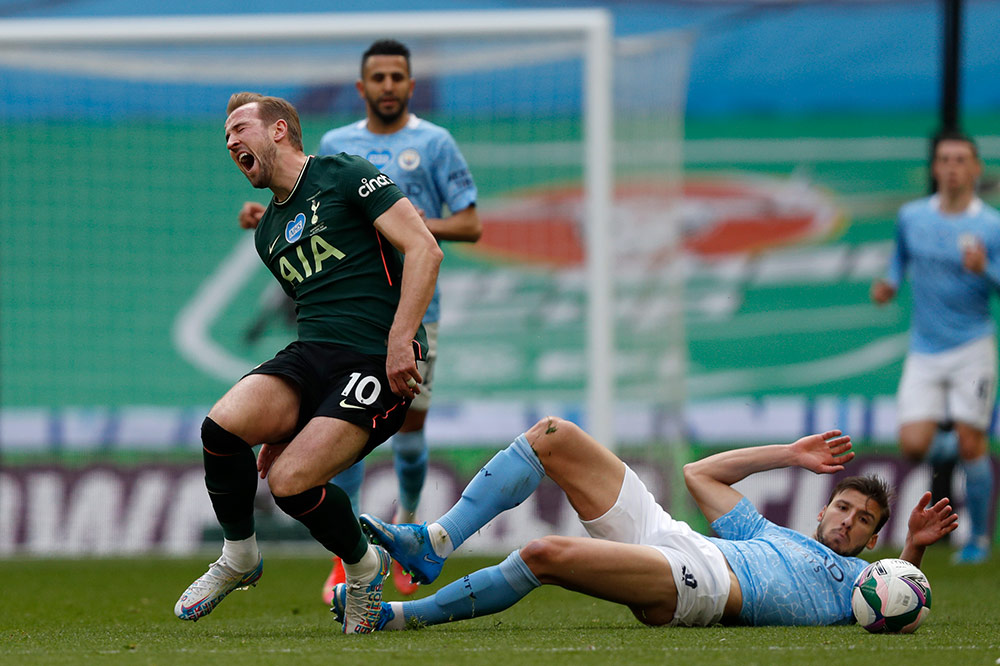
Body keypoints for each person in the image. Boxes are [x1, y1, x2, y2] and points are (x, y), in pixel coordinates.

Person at [174, 92, 443, 635]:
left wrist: (399, 341)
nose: (230, 142)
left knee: (291, 484)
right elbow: (318, 314)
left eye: (239, 129)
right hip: (312, 354)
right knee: (221, 429)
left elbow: (425, 250)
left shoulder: (344, 173)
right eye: (225, 136)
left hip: (375, 359)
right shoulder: (270, 233)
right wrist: (283, 423)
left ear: (278, 131)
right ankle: (240, 556)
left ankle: (365, 569)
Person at [238, 39, 481, 601]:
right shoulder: (337, 146)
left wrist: (409, 222)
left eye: (399, 76)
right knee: (339, 428)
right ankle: (345, 562)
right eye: (379, 77)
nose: (389, 85)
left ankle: (408, 524)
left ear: (410, 86)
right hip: (353, 323)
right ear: (362, 87)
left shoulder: (435, 143)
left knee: (410, 436)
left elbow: (469, 225)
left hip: (418, 312)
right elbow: (309, 211)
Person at [324, 416, 956, 630]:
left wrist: (916, 550)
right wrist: (789, 454)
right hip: (674, 539)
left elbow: (894, 600)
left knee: (546, 553)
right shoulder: (769, 533)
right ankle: (436, 542)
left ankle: (395, 616)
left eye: (863, 520)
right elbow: (700, 476)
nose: (847, 522)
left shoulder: (857, 582)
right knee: (554, 436)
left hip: (700, 587)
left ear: (875, 541)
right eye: (843, 507)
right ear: (823, 508)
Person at [871, 130, 1000, 564]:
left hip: (972, 346)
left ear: (976, 168)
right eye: (944, 159)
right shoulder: (912, 217)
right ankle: (963, 445)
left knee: (971, 442)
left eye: (961, 159)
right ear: (934, 168)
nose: (952, 167)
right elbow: (899, 257)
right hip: (925, 348)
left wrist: (987, 270)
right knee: (911, 444)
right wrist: (890, 283)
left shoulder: (990, 225)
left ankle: (979, 540)